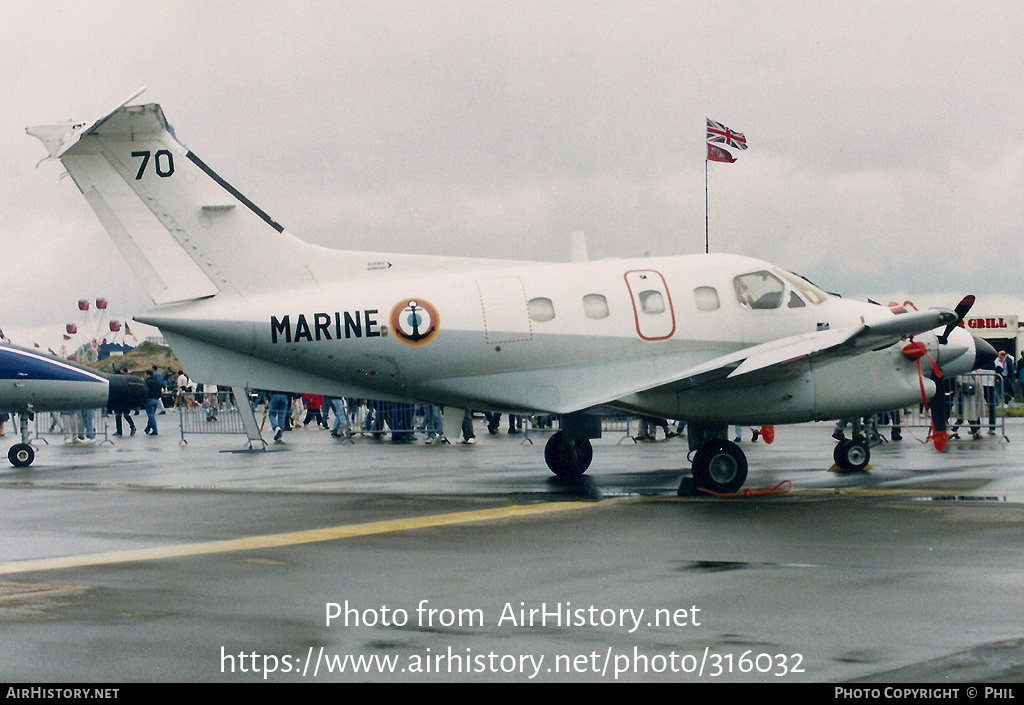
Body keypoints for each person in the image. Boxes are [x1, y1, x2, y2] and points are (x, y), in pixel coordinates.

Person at [143, 369, 162, 435]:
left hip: (149, 399)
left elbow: (144, 390)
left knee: (150, 415)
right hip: (156, 400)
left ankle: (155, 430)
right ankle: (147, 428)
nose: (144, 376)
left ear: (148, 375)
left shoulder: (146, 382)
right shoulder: (157, 381)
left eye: (145, 374)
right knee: (152, 415)